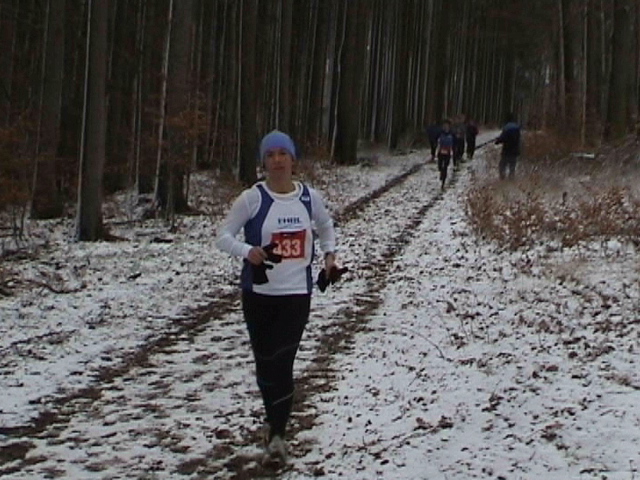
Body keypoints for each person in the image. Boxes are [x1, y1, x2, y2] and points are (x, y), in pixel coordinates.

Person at [215, 130, 340, 466]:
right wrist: (248, 251)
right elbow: (223, 236)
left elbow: (326, 227)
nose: (277, 160)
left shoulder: (309, 198)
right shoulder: (252, 199)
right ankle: (273, 423)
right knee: (265, 364)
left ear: (293, 159)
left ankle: (278, 436)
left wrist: (329, 257)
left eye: (283, 153)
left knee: (282, 363)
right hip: (258, 295)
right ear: (263, 162)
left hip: (296, 294)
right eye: (270, 155)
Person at [495, 113, 521, 179]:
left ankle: (502, 178)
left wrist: (497, 141)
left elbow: (503, 138)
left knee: (502, 165)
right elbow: (519, 139)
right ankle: (511, 178)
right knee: (512, 167)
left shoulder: (506, 128)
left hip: (506, 150)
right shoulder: (517, 128)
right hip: (515, 150)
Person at [436, 119, 455, 190]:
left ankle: (443, 182)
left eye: (447, 125)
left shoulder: (452, 133)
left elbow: (454, 142)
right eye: (444, 125)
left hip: (448, 152)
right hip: (441, 152)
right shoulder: (440, 133)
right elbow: (436, 140)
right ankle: (441, 172)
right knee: (440, 166)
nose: (446, 127)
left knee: (445, 167)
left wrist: (454, 149)